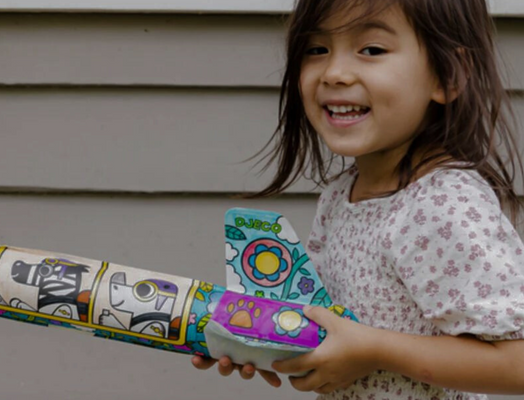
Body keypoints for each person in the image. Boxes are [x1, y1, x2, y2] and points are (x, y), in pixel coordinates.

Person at [192, 0, 524, 398]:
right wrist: (247, 335)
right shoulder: (341, 196)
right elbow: (324, 324)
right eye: (317, 50)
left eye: (372, 50)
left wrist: (374, 350)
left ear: (447, 76)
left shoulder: (442, 204)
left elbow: (515, 361)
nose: (334, 73)